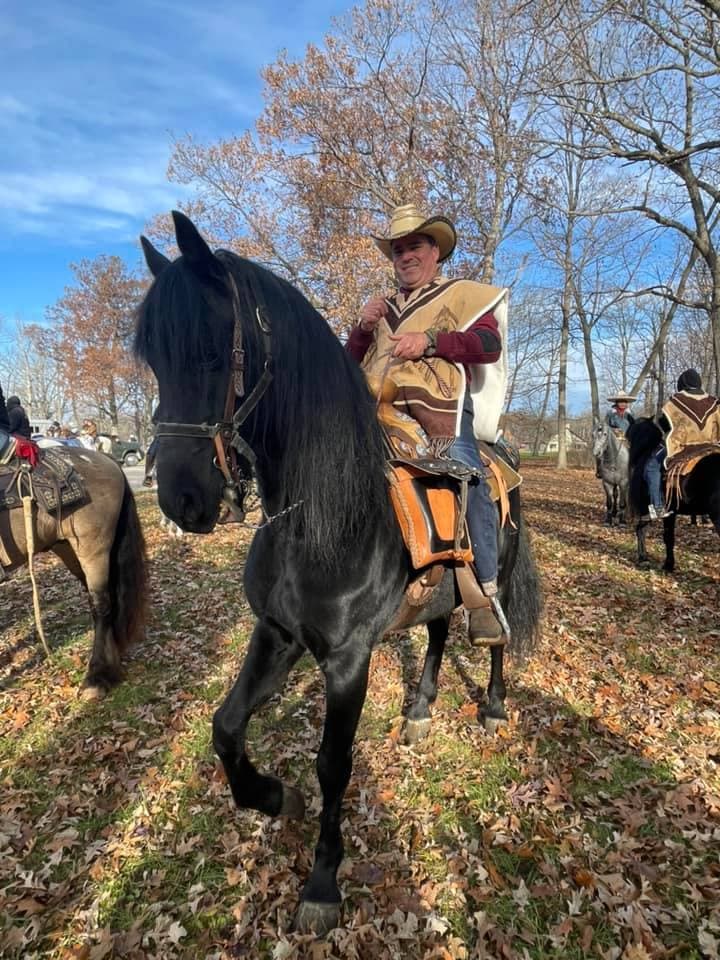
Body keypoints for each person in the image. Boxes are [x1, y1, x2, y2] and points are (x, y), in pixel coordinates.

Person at [346, 202, 509, 644]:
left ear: (435, 250)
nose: (406, 256)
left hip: (439, 415)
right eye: (398, 250)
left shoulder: (462, 295)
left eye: (415, 246)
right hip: (372, 415)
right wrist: (362, 329)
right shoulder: (380, 310)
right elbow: (347, 363)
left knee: (471, 480)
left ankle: (485, 597)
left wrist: (432, 341)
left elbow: (489, 344)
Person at [596, 391, 636, 478]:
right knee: (600, 450)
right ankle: (599, 470)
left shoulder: (631, 413)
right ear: (616, 402)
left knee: (635, 452)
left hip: (627, 437)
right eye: (620, 401)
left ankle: (634, 470)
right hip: (613, 437)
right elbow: (605, 426)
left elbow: (634, 426)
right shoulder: (610, 413)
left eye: (624, 402)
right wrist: (613, 430)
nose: (623, 404)